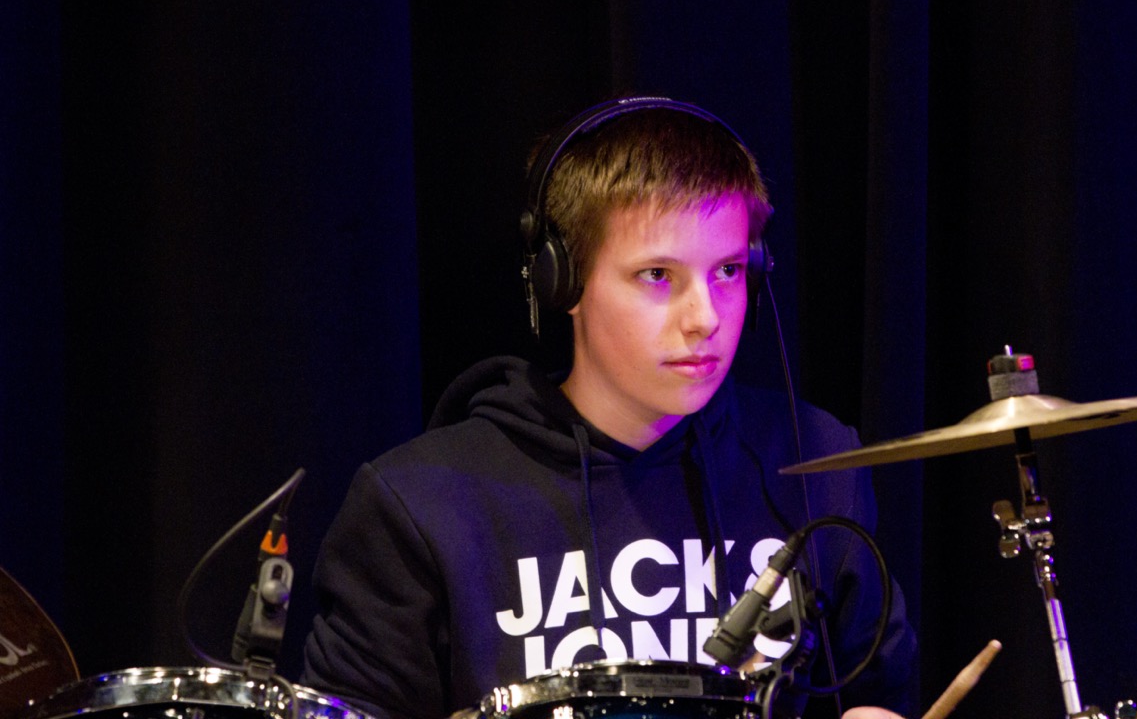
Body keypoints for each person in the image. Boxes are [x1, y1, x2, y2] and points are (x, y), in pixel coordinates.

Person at [301, 97, 916, 719]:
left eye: (728, 270)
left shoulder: (815, 462)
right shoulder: (421, 504)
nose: (705, 317)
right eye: (657, 275)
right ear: (561, 282)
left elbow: (876, 697)